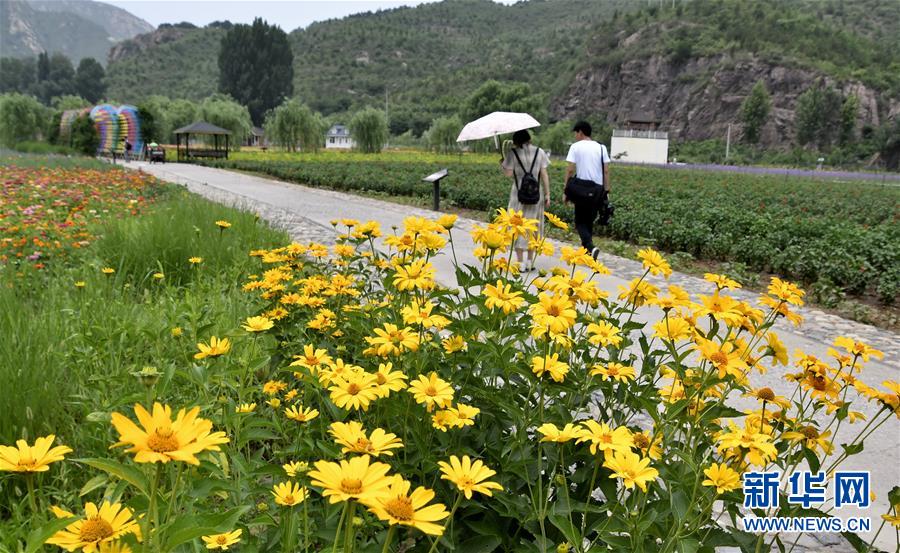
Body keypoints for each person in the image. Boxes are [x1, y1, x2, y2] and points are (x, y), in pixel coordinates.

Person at [501, 129, 551, 271]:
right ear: (529, 138)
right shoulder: (540, 152)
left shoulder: (513, 153)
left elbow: (508, 173)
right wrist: (547, 194)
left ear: (516, 140)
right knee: (532, 226)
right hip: (536, 194)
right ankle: (530, 261)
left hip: (518, 194)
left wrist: (502, 164)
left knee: (517, 226)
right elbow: (544, 174)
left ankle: (520, 262)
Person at [564, 121, 610, 259]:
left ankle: (590, 247)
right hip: (597, 190)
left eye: (576, 133)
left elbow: (570, 169)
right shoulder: (602, 148)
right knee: (588, 221)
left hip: (582, 189)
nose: (575, 136)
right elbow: (606, 171)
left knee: (579, 222)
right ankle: (588, 254)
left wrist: (565, 189)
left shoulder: (575, 147)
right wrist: (607, 191)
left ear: (580, 132)